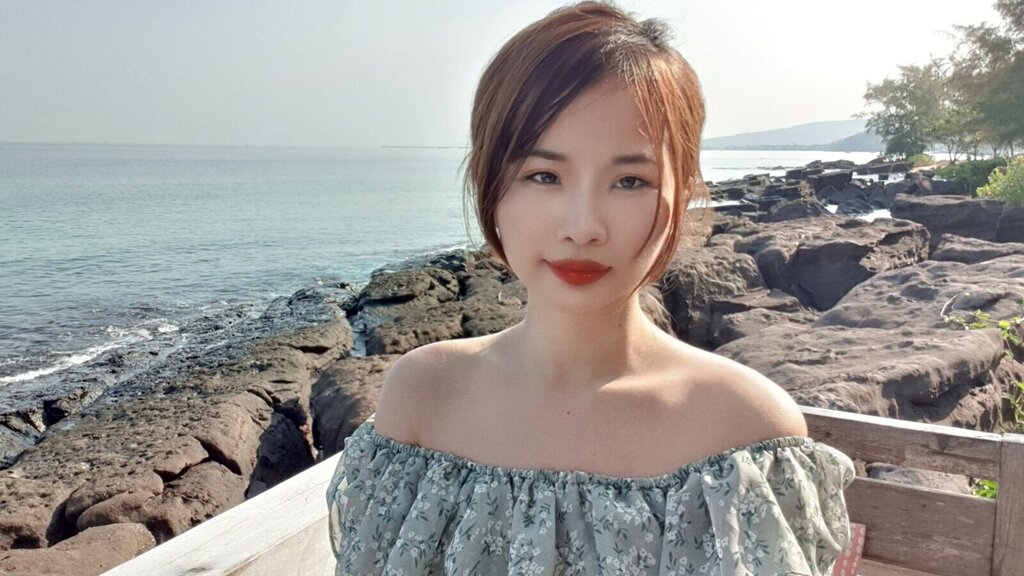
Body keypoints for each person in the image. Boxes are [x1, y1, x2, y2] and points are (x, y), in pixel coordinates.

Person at [327, 2, 855, 574]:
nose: (583, 227)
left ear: (683, 193)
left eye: (630, 181)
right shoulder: (422, 396)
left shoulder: (742, 432)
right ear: (489, 184)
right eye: (544, 175)